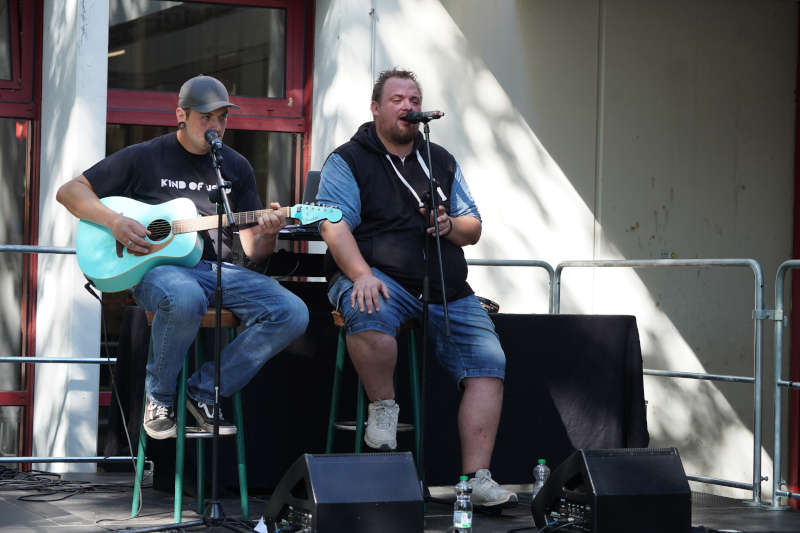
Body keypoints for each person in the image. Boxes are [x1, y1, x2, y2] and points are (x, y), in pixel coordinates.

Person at [57, 75, 309, 440]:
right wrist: (114, 222)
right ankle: (158, 397)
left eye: (222, 118)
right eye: (206, 117)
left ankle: (205, 390)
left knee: (292, 312)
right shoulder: (145, 156)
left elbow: (254, 251)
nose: (216, 126)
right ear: (181, 114)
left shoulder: (234, 167)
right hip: (157, 270)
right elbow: (69, 192)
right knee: (184, 295)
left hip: (216, 271)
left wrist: (268, 232)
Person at [316, 68, 517, 508]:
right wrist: (361, 274)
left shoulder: (440, 158)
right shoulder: (348, 159)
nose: (408, 106)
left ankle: (476, 479)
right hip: (378, 275)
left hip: (445, 285)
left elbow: (473, 227)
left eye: (413, 99)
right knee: (367, 309)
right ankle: (384, 407)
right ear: (375, 108)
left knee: (490, 362)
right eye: (397, 99)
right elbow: (333, 226)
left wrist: (447, 226)